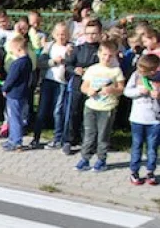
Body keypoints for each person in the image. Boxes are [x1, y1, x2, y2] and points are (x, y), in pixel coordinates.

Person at [75, 40, 126, 172]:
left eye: (110, 55)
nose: (107, 58)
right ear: (99, 54)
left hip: (107, 108)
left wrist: (112, 90)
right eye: (104, 54)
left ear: (114, 55)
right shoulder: (92, 69)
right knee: (89, 134)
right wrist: (88, 91)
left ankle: (101, 160)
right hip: (91, 106)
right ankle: (85, 159)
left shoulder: (116, 71)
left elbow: (121, 88)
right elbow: (84, 86)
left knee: (103, 135)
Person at [64, 19, 103, 155]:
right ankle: (69, 140)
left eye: (94, 33)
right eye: (88, 33)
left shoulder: (102, 51)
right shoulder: (78, 49)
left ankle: (89, 142)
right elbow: (68, 65)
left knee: (92, 116)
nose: (91, 36)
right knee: (74, 112)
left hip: (95, 87)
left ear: (100, 34)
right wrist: (75, 70)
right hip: (78, 85)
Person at [124, 54, 160, 185]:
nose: (140, 72)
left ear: (154, 70)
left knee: (152, 147)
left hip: (155, 120)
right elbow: (127, 92)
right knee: (137, 145)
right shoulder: (136, 76)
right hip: (138, 118)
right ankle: (134, 171)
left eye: (143, 71)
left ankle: (150, 171)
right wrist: (139, 91)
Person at [37, 22, 72, 150]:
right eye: (58, 34)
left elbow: (73, 63)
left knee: (58, 111)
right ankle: (36, 138)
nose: (61, 36)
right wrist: (53, 61)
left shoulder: (71, 48)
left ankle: (58, 139)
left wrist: (68, 58)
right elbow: (40, 63)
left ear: (68, 35)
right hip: (47, 80)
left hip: (62, 82)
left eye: (64, 34)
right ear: (53, 34)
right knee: (42, 110)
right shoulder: (49, 46)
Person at [1, 36, 34, 151]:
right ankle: (12, 138)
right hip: (23, 92)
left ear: (18, 49)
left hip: (14, 94)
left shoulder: (17, 64)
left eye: (12, 50)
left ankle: (16, 141)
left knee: (14, 117)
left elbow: (11, 79)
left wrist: (4, 88)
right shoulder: (28, 61)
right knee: (17, 117)